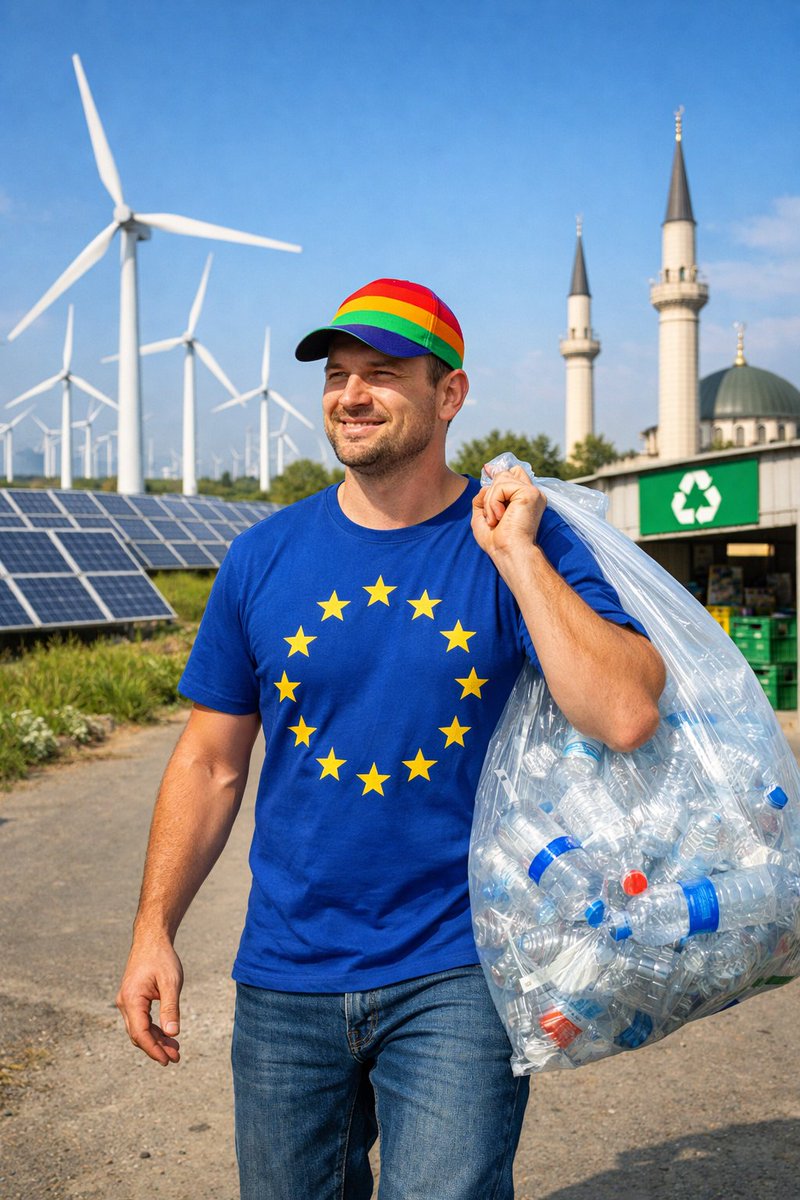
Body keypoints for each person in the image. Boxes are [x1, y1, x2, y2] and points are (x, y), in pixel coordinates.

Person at [116, 277, 665, 1199]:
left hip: (460, 968)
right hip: (287, 973)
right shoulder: (263, 557)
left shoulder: (522, 541)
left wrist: (521, 558)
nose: (350, 395)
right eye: (336, 375)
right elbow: (211, 762)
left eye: (382, 373)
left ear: (450, 394)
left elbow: (625, 711)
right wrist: (152, 929)